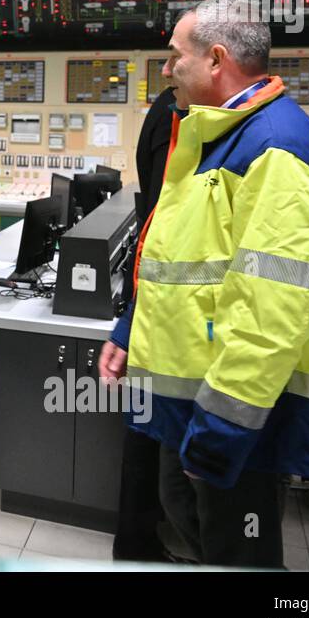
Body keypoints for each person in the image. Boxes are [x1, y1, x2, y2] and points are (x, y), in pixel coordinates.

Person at [98, 0, 309, 568]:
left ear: (216, 59)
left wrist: (223, 427)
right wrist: (129, 326)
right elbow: (177, 256)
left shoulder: (276, 149)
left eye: (174, 57)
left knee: (236, 547)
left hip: (229, 406)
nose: (166, 70)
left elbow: (274, 311)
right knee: (184, 511)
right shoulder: (214, 135)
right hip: (186, 392)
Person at [111, 82, 175, 562]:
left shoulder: (171, 115)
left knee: (152, 443)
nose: (168, 68)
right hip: (167, 325)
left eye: (176, 56)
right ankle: (142, 546)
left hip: (161, 317)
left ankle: (140, 543)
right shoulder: (172, 113)